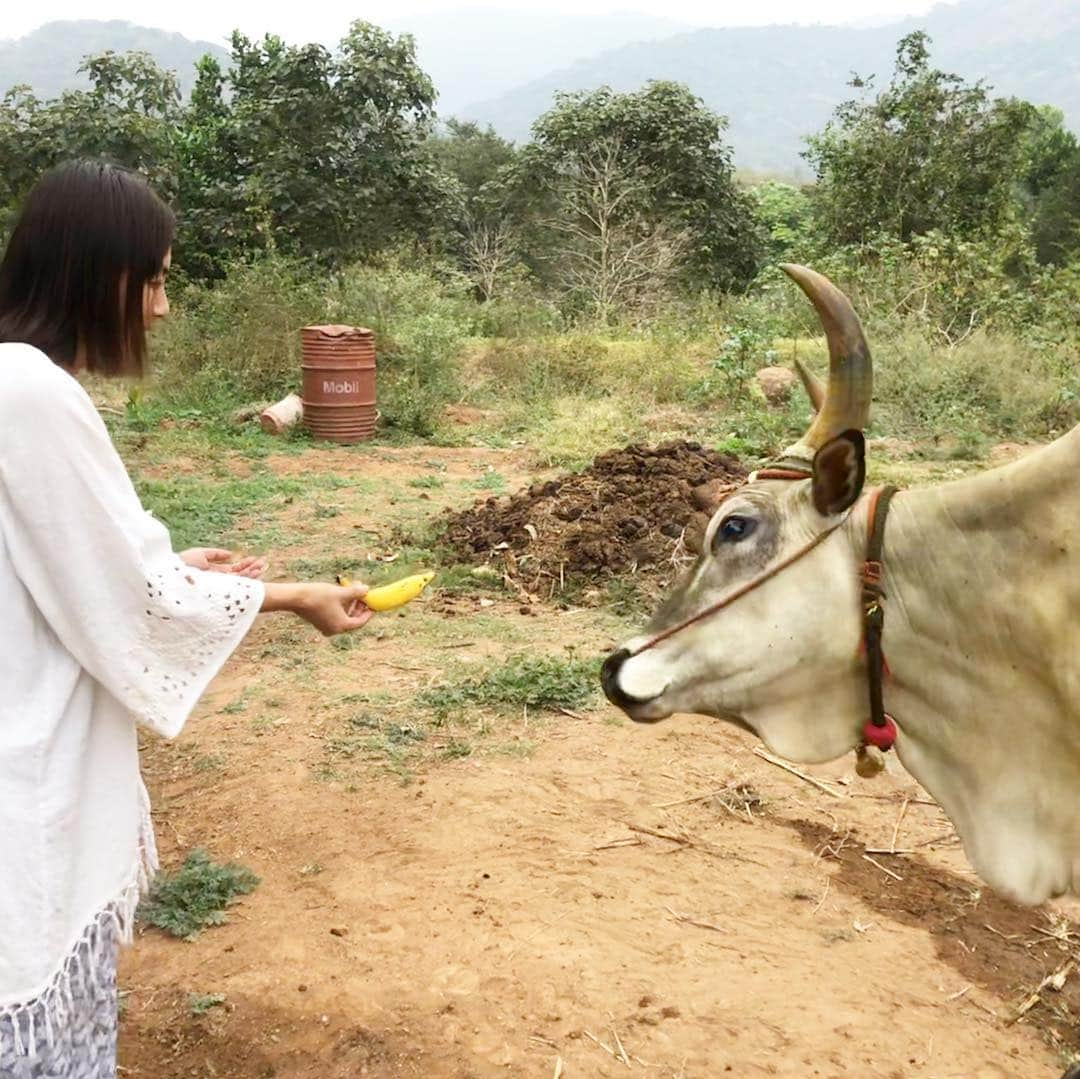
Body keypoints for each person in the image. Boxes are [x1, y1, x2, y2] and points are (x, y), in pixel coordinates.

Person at [0, 160, 373, 1076]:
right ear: (95, 272)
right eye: (155, 277)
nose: (161, 307)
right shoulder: (32, 393)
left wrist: (165, 561)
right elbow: (134, 602)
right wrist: (290, 596)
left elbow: (60, 565)